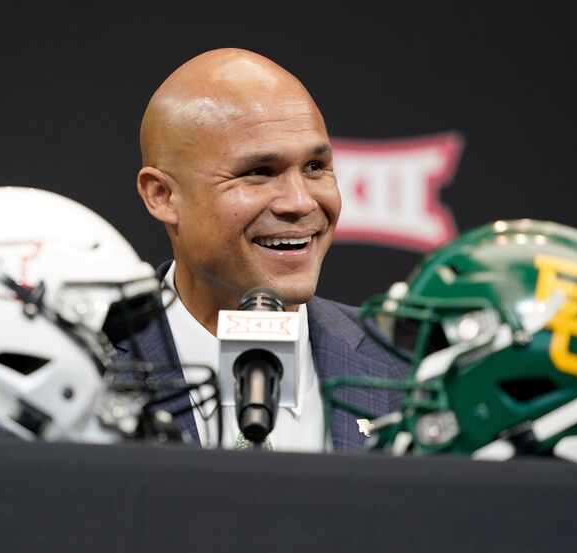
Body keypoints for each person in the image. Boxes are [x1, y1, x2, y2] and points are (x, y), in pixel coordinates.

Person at [117, 48, 407, 451]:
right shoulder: (82, 368)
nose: (301, 202)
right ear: (162, 195)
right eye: (259, 173)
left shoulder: (409, 371)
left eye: (314, 167)